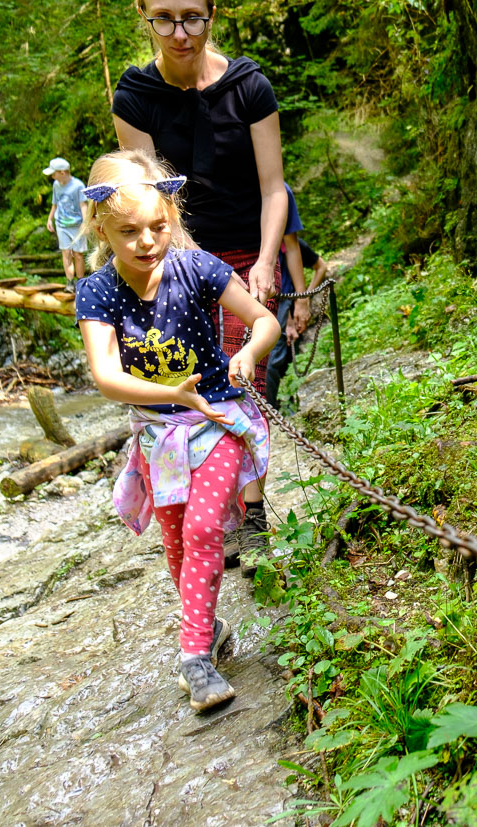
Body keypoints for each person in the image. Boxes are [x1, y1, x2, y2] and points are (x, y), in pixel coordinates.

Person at [75, 148, 279, 712]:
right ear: (101, 228)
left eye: (158, 227)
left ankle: (194, 657)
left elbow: (265, 322)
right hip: (157, 434)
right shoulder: (97, 292)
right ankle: (206, 628)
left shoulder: (200, 268)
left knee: (205, 529)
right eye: (129, 231)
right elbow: (107, 376)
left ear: (173, 214)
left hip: (214, 419)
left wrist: (247, 354)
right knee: (175, 540)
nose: (146, 242)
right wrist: (170, 393)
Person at [111, 0, 287, 562]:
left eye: (192, 17)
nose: (179, 33)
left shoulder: (248, 85)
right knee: (188, 380)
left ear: (213, 13)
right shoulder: (135, 98)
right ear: (144, 14)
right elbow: (143, 198)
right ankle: (213, 507)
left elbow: (273, 187)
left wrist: (264, 260)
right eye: (164, 18)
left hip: (246, 248)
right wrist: (171, 267)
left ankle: (250, 510)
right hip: (178, 254)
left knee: (241, 373)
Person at [265, 183, 329, 411]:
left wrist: (305, 297)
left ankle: (269, 407)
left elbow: (321, 266)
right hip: (278, 301)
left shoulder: (294, 246)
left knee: (274, 359)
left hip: (287, 301)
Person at [44, 157, 88, 285]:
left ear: (62, 173)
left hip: (77, 225)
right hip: (61, 224)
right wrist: (49, 219)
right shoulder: (56, 185)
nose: (52, 176)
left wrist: (85, 223)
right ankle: (70, 282)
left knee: (78, 255)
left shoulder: (78, 185)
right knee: (66, 253)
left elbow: (83, 205)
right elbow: (55, 203)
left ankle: (80, 283)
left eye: (54, 173)